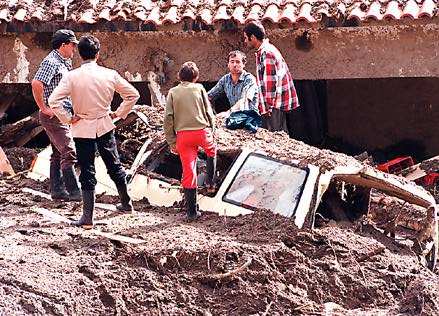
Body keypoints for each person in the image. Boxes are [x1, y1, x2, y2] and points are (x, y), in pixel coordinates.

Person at [48, 35, 140, 229]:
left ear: (80, 54)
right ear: (98, 54)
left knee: (87, 170)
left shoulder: (71, 76)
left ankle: (88, 217)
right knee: (114, 164)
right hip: (105, 123)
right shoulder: (109, 74)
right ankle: (126, 203)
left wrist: (67, 118)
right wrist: (119, 113)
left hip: (82, 126)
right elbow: (133, 94)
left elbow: (53, 100)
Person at [31, 29, 81, 201]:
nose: (74, 49)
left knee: (58, 153)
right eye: (72, 45)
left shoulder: (65, 62)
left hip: (63, 113)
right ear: (63, 45)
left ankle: (57, 191)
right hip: (53, 115)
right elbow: (37, 83)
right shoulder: (51, 62)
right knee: (69, 150)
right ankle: (75, 192)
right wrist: (44, 108)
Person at [164, 62, 216, 220]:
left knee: (189, 172)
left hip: (183, 136)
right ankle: (210, 183)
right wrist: (212, 130)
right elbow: (208, 111)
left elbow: (168, 119)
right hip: (201, 131)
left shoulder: (172, 92)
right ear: (196, 77)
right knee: (211, 150)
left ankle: (192, 212)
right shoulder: (199, 88)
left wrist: (172, 141)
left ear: (179, 76)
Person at [243, 21, 300, 133]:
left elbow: (270, 83)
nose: (245, 41)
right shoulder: (266, 49)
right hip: (276, 102)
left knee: (276, 136)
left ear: (253, 37)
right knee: (279, 134)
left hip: (274, 103)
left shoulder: (266, 53)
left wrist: (268, 107)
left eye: (246, 38)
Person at [208, 50, 261, 133]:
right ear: (228, 64)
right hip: (234, 119)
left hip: (249, 119)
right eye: (232, 62)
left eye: (238, 62)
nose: (234, 65)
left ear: (243, 64)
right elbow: (209, 96)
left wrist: (227, 113)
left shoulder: (249, 79)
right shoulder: (225, 79)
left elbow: (244, 101)